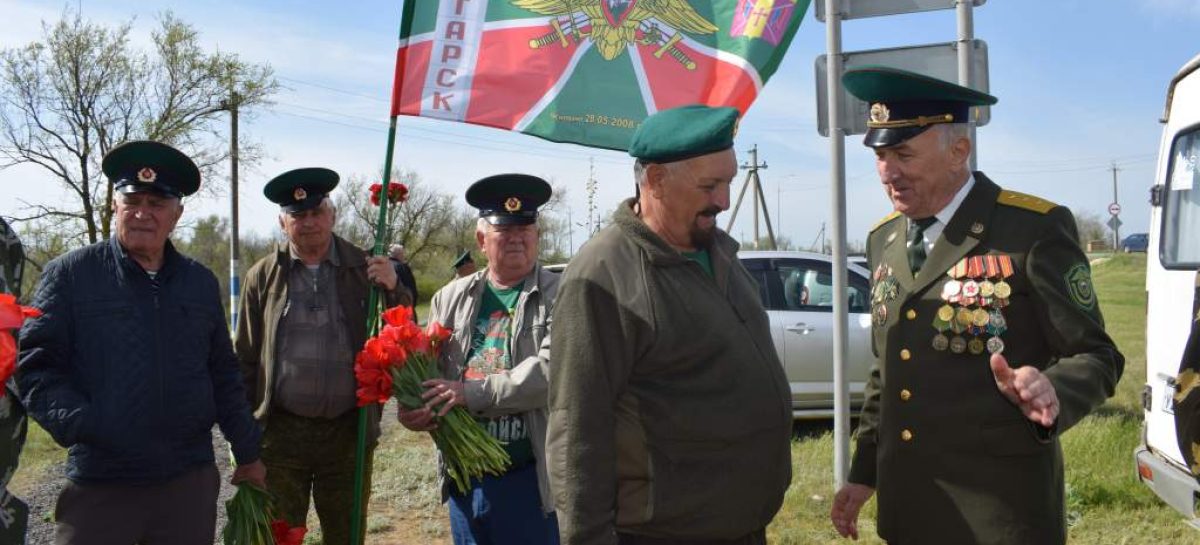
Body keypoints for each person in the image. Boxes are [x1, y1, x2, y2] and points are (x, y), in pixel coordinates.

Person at [828, 66, 1124, 545]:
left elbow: (1099, 355)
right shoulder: (882, 239)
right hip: (909, 510)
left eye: (903, 153)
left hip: (999, 515)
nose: (887, 171)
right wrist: (865, 473)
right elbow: (888, 371)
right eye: (881, 155)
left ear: (958, 151)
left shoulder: (1032, 229)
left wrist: (1053, 387)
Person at [547, 105, 793, 545]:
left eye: (729, 182)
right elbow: (578, 430)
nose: (724, 200)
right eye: (709, 185)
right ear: (656, 180)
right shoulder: (602, 276)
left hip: (740, 525)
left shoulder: (720, 252)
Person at [16, 140, 266, 545]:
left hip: (187, 483)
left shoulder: (199, 283)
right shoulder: (71, 276)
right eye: (132, 200)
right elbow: (35, 366)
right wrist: (88, 424)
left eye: (156, 203)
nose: (142, 213)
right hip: (101, 483)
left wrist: (248, 451)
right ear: (115, 205)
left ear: (177, 214)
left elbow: (223, 373)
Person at [234, 167, 408, 545]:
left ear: (332, 215)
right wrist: (244, 438)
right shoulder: (262, 276)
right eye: (298, 215)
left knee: (346, 535)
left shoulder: (365, 268)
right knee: (277, 536)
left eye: (316, 212)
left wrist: (394, 287)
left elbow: (404, 330)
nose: (308, 222)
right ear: (283, 222)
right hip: (281, 436)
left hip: (348, 432)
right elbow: (245, 360)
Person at [397, 174, 560, 545]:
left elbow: (553, 372)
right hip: (466, 480)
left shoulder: (561, 294)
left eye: (526, 226)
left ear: (537, 234)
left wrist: (471, 393)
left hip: (531, 482)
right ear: (481, 240)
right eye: (505, 229)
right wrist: (413, 410)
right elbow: (430, 374)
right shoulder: (448, 298)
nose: (517, 236)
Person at [389, 243, 420, 321]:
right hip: (403, 309)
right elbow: (412, 289)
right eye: (403, 254)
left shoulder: (384, 267)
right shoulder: (403, 268)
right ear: (399, 255)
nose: (404, 256)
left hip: (388, 311)